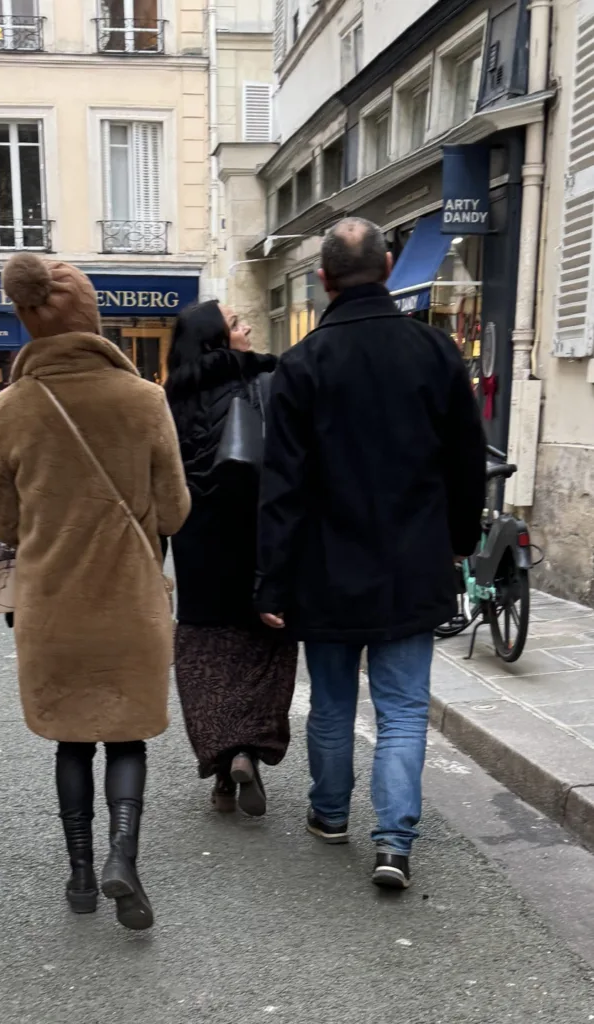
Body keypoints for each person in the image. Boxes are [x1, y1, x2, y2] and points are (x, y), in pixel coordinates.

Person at [257, 217, 485, 889]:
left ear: (323, 279)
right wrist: (460, 540)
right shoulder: (437, 352)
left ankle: (330, 814)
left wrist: (271, 580)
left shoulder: (300, 365)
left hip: (325, 566)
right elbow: (466, 462)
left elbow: (283, 485)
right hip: (412, 559)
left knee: (330, 703)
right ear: (389, 269)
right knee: (405, 706)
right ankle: (393, 841)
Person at [0, 254, 190, 931]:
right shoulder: (145, 400)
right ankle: (122, 860)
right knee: (125, 737)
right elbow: (176, 509)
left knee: (71, 740)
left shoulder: (9, 409)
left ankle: (77, 874)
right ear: (93, 318)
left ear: (26, 320)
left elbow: (3, 522)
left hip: (51, 610)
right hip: (130, 604)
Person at [166, 300, 297, 817]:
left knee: (205, 657)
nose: (247, 330)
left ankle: (223, 767)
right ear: (219, 341)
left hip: (196, 545)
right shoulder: (265, 383)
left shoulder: (168, 398)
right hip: (257, 538)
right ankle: (249, 750)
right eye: (238, 325)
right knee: (263, 649)